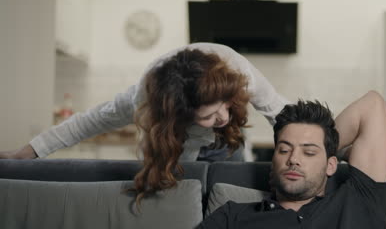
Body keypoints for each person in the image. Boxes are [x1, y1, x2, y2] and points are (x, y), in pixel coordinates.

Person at [0, 42, 290, 205]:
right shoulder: (146, 98)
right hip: (175, 153)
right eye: (208, 115)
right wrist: (28, 152)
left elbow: (283, 113)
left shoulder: (238, 73)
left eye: (226, 106)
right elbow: (89, 122)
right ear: (178, 114)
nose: (223, 117)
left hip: (226, 147)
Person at [198, 91, 386, 228]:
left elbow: (372, 105)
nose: (293, 159)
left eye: (309, 152)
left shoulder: (356, 202)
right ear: (273, 161)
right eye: (284, 150)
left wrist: (329, 149)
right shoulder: (233, 216)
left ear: (331, 165)